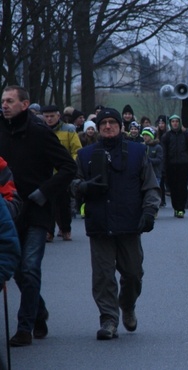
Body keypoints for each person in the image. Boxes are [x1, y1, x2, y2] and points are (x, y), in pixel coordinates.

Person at [71, 107, 160, 340]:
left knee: (133, 274)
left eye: (112, 122)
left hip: (129, 223)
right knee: (103, 276)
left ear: (120, 126)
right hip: (99, 223)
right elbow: (73, 183)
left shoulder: (137, 152)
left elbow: (150, 186)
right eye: (103, 124)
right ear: (98, 128)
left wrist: (149, 211)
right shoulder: (86, 154)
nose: (108, 126)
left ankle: (127, 305)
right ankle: (109, 320)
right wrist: (81, 187)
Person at [0, 85, 77, 347]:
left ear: (25, 104)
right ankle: (39, 312)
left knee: (30, 268)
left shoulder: (40, 132)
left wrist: (44, 192)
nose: (5, 105)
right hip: (7, 211)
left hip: (36, 210)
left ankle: (25, 327)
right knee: (17, 271)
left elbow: (69, 167)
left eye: (10, 100)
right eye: (3, 101)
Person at [41, 104, 82, 242]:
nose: (49, 119)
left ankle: (65, 229)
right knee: (47, 203)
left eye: (52, 116)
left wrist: (71, 166)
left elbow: (77, 150)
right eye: (46, 116)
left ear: (58, 116)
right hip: (45, 173)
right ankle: (48, 231)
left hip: (63, 173)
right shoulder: (39, 130)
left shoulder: (69, 129)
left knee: (63, 203)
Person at [160, 114, 188, 218]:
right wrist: (163, 169)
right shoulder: (166, 137)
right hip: (171, 166)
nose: (175, 123)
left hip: (184, 165)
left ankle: (181, 208)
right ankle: (176, 207)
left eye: (177, 121)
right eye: (173, 121)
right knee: (173, 189)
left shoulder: (186, 136)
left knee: (182, 188)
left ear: (180, 123)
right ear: (170, 123)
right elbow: (163, 154)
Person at [142, 127, 164, 204]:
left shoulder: (157, 147)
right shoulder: (141, 146)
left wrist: (148, 160)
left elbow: (159, 160)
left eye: (147, 135)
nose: (145, 137)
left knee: (154, 192)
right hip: (144, 174)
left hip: (155, 174)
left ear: (151, 136)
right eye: (143, 135)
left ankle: (155, 207)